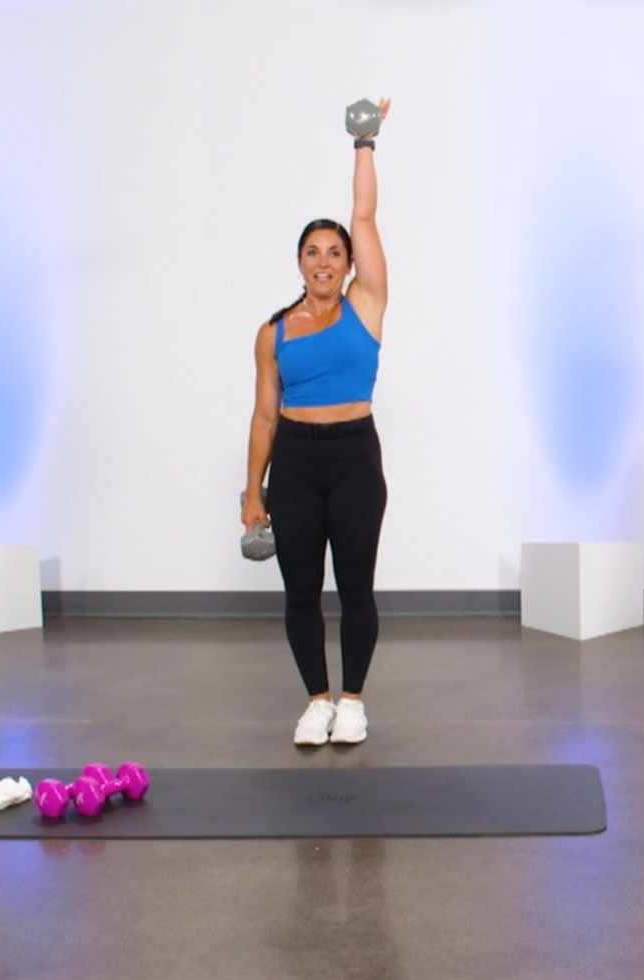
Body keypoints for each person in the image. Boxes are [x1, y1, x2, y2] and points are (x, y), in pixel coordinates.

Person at [242, 100, 391, 746]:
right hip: (297, 464)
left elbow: (364, 214)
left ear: (349, 263)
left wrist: (364, 142)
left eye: (335, 252)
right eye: (313, 253)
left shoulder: (366, 303)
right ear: (299, 263)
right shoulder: (272, 332)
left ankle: (352, 701)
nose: (325, 261)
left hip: (355, 458)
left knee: (355, 587)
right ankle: (315, 701)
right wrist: (254, 492)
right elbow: (263, 416)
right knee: (301, 589)